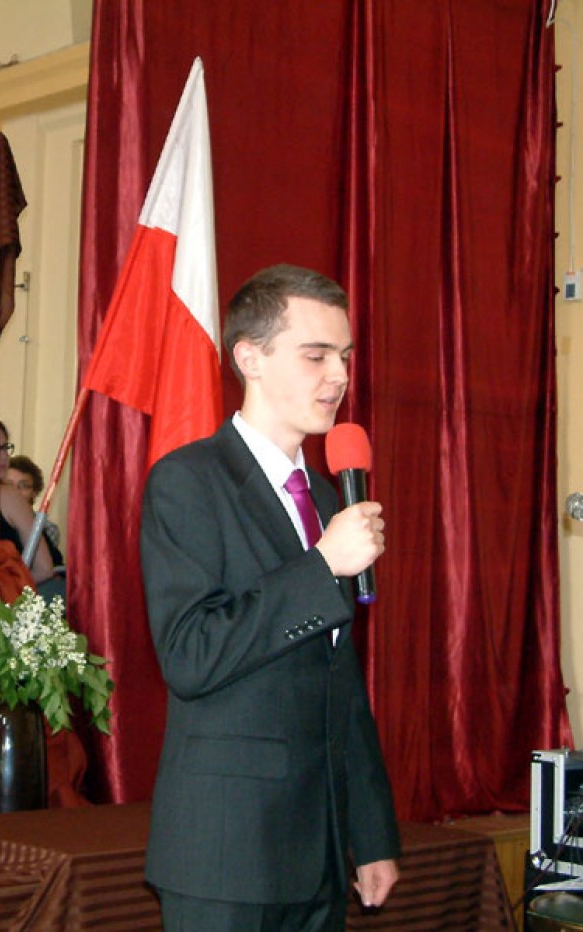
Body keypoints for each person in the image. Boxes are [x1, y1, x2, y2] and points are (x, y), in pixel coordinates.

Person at [139, 264, 400, 930]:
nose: (338, 376)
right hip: (227, 851)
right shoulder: (188, 481)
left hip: (319, 849)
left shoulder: (328, 497)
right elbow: (191, 656)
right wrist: (322, 567)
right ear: (249, 358)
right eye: (316, 355)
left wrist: (370, 832)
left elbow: (340, 681)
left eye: (344, 356)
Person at [0, 422, 60, 589]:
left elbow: (44, 569)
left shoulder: (8, 495)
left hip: (34, 592)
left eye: (5, 448)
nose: (4, 456)